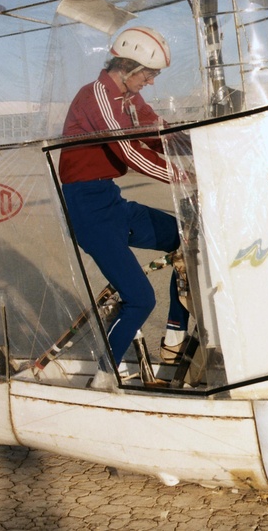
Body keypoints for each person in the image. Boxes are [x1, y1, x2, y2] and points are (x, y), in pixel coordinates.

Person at [59, 26, 190, 376]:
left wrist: (201, 147)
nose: (150, 82)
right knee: (141, 299)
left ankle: (175, 337)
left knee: (188, 239)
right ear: (129, 66)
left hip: (112, 201)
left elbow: (156, 130)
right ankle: (106, 373)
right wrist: (183, 176)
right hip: (89, 209)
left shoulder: (128, 98)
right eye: (148, 74)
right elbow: (129, 150)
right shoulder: (98, 95)